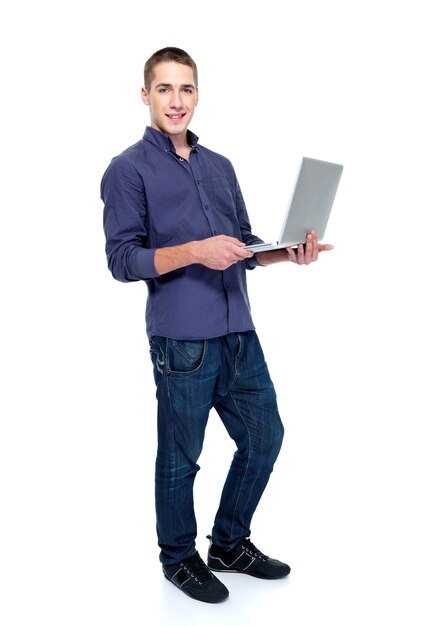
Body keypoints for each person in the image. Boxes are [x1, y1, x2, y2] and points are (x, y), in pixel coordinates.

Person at [101, 47, 333, 604]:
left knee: (265, 437)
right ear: (145, 95)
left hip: (238, 331)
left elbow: (245, 246)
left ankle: (229, 543)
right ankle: (178, 557)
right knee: (181, 457)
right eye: (164, 90)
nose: (176, 101)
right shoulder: (127, 169)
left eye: (186, 90)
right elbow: (122, 261)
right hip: (182, 340)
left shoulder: (220, 166)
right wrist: (193, 251)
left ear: (197, 95)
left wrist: (287, 254)